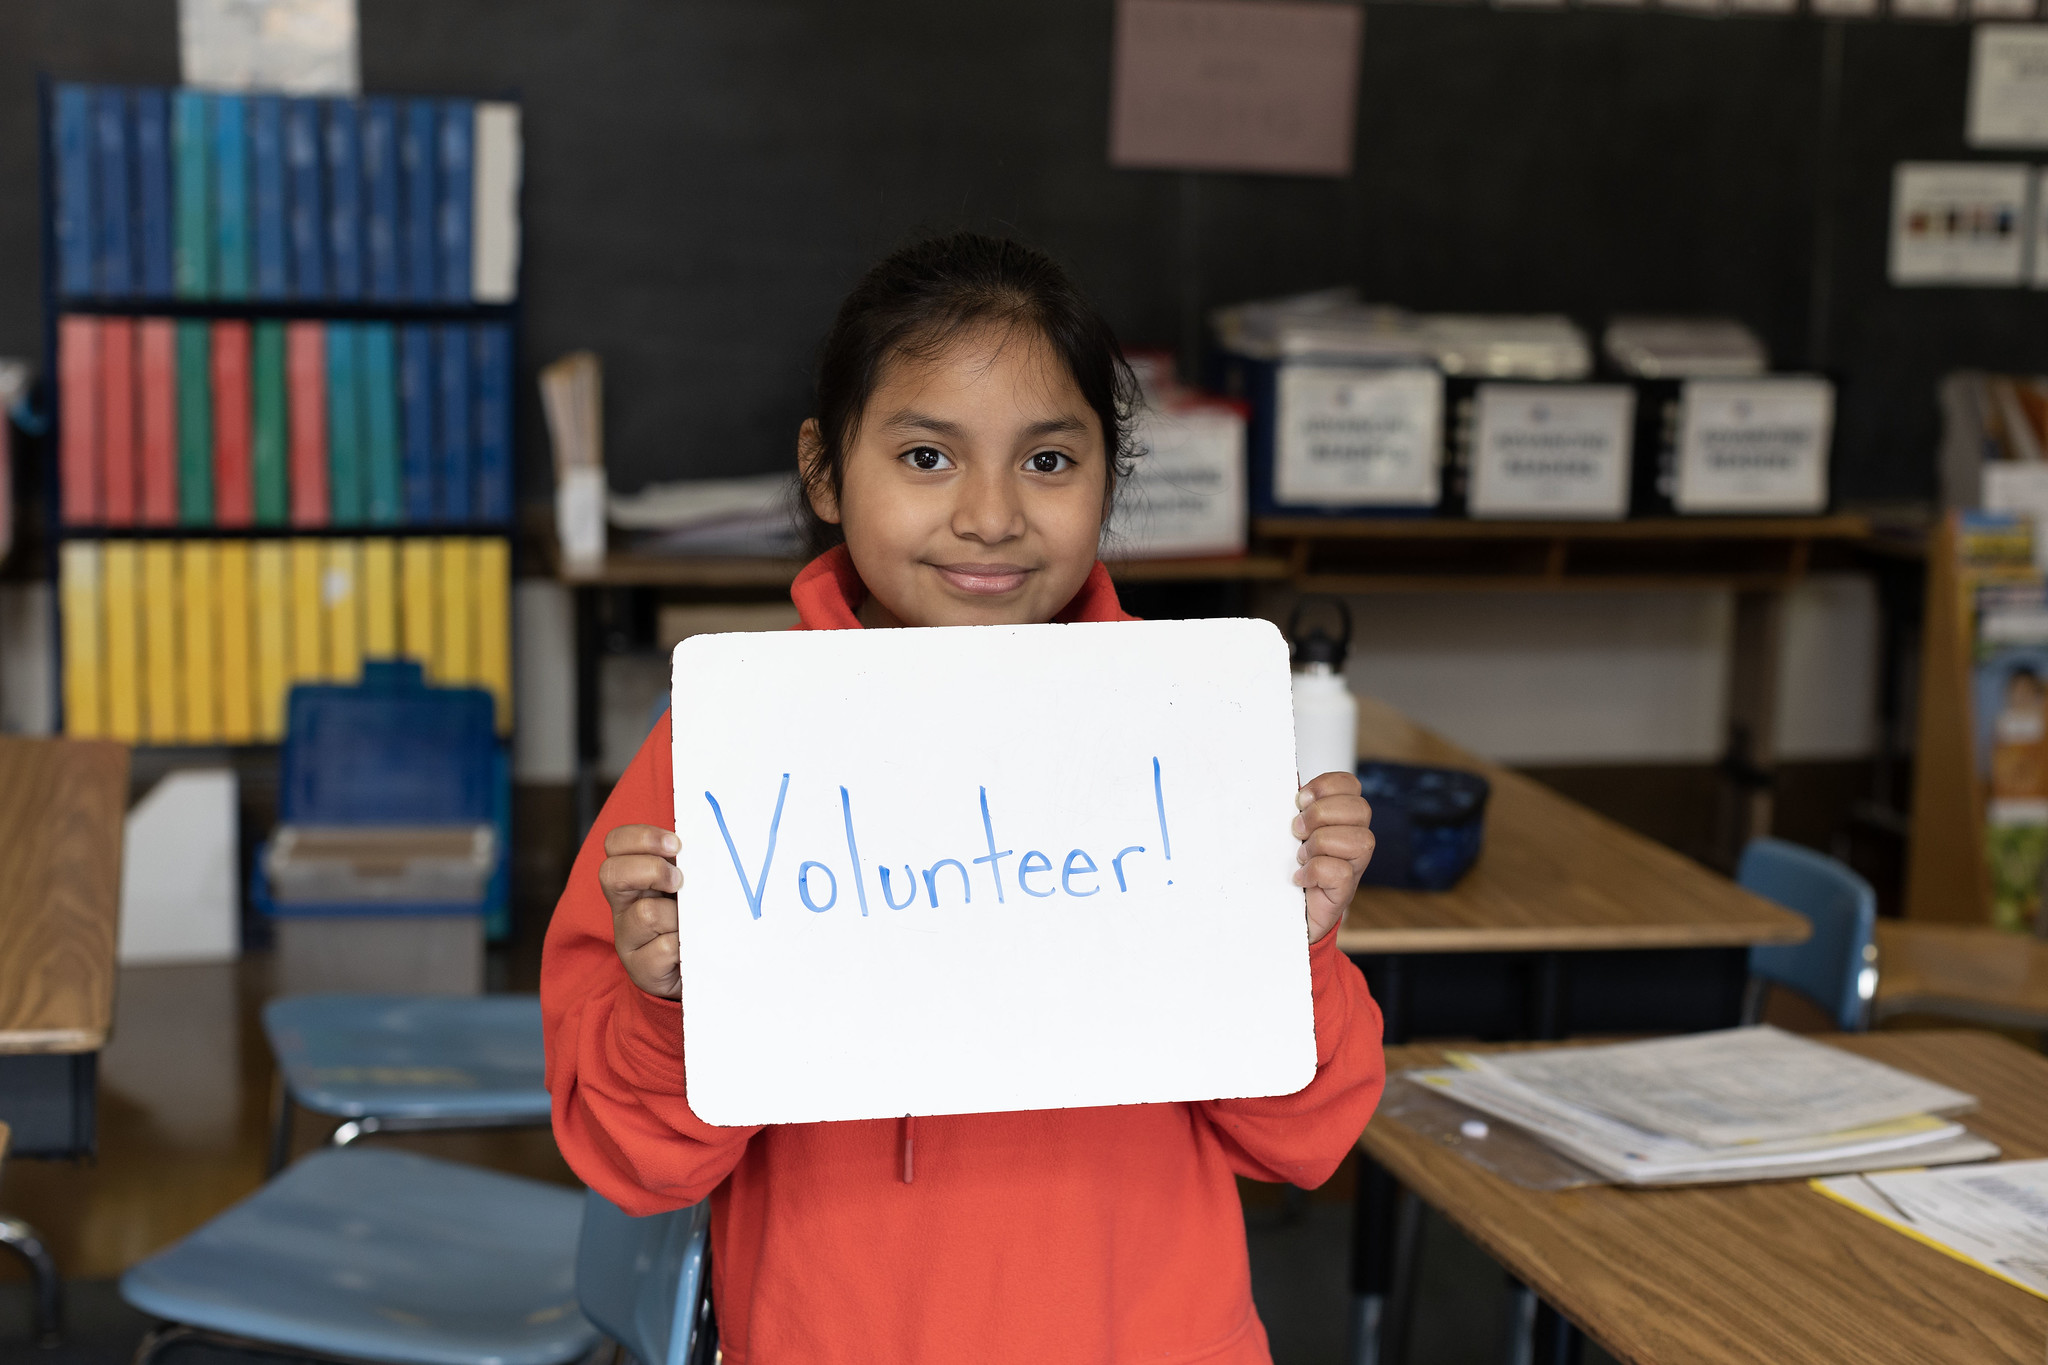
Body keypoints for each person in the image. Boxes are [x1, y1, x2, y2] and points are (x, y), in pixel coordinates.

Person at [542, 233, 1386, 1365]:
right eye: (927, 458)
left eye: (1047, 462)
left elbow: (1305, 1142)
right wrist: (673, 1002)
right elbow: (629, 1156)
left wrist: (1295, 950)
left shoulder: (1185, 740)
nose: (990, 516)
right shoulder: (725, 755)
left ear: (1108, 479)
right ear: (825, 471)